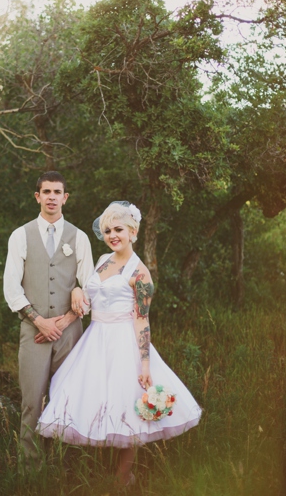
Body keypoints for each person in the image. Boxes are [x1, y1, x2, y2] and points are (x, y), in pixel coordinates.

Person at [36, 201, 201, 486]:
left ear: (133, 231)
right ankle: (94, 467)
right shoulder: (102, 259)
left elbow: (142, 320)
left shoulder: (140, 274)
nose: (113, 235)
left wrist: (145, 364)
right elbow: (87, 296)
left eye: (119, 229)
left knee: (125, 403)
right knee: (94, 398)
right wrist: (77, 289)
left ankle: (123, 477)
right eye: (108, 230)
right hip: (95, 338)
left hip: (123, 340)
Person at [2, 171, 94, 469]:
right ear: (37, 196)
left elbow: (90, 286)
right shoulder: (21, 235)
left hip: (70, 333)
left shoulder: (79, 237)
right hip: (34, 332)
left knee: (67, 399)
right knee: (32, 400)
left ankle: (65, 465)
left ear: (65, 197)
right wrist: (40, 322)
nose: (52, 197)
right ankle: (30, 468)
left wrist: (64, 320)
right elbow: (11, 288)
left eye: (58, 192)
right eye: (46, 191)